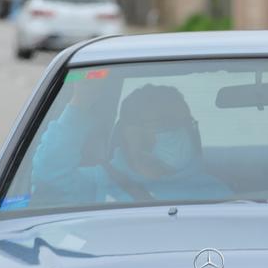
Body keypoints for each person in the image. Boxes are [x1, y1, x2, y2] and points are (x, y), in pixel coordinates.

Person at [32, 83, 230, 204]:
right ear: (132, 134)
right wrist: (80, 102)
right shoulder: (95, 183)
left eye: (186, 123)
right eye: (168, 123)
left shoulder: (213, 191)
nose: (181, 132)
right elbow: (49, 173)